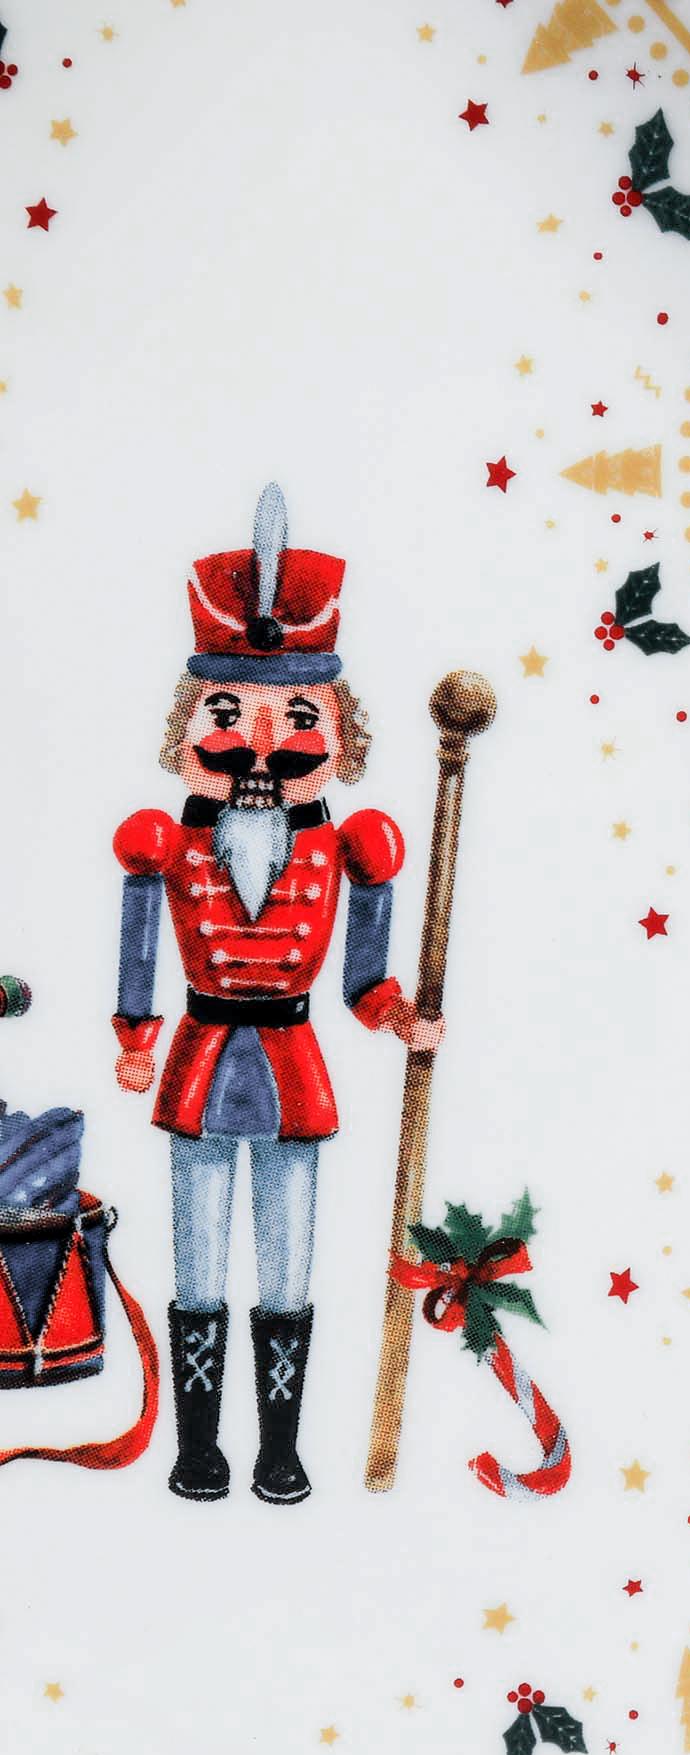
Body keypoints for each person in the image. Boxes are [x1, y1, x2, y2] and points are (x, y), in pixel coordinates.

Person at [111, 483, 441, 1504]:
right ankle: (199, 1448)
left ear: (338, 732)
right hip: (200, 1060)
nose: (261, 742)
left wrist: (398, 1016)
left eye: (295, 717)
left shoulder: (352, 847)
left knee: (288, 1260)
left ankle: (280, 1449)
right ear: (189, 726)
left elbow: (364, 978)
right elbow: (137, 953)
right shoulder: (163, 843)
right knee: (199, 1258)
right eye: (230, 713)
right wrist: (135, 1037)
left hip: (292, 1064)